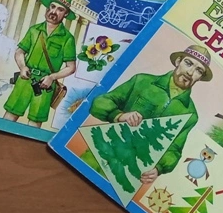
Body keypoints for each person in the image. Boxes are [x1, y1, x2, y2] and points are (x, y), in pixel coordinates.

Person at [87, 44, 213, 184]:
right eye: (188, 63)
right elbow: (99, 102)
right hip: (99, 153)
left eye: (198, 70)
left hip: (129, 175)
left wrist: (159, 168)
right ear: (178, 61)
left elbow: (174, 150)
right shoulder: (142, 81)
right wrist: (120, 115)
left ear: (200, 77)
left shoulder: (190, 114)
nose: (190, 72)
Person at [2, 0, 77, 128]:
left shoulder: (67, 38)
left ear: (65, 14)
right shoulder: (34, 30)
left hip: (45, 85)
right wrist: (22, 67)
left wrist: (52, 77)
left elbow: (71, 67)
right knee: (10, 114)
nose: (54, 11)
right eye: (52, 7)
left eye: (60, 9)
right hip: (26, 79)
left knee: (35, 122)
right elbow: (20, 52)